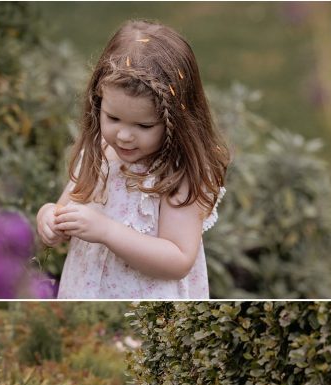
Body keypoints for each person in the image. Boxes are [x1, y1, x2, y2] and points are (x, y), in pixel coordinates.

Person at [37, 21, 228, 299]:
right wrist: (50, 217)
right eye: (113, 118)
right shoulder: (102, 151)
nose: (124, 136)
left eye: (144, 126)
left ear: (177, 121)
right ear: (98, 102)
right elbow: (68, 204)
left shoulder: (176, 175)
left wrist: (106, 231)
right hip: (86, 294)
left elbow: (178, 260)